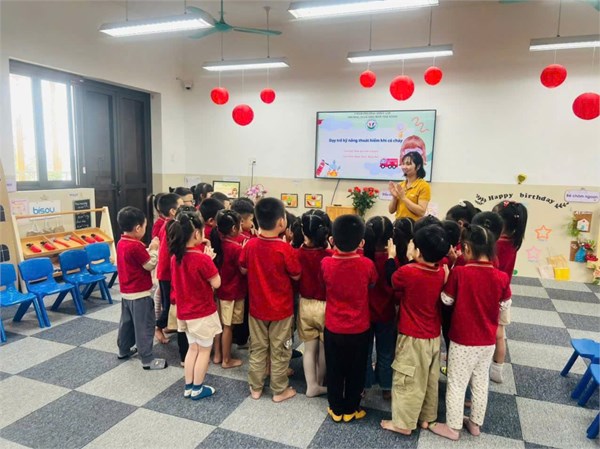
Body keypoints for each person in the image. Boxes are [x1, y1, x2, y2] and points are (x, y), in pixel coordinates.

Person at [430, 224, 511, 441]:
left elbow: (446, 300)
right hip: (487, 340)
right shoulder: (501, 277)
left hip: (463, 339)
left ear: (466, 248)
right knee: (480, 382)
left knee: (457, 383)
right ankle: (475, 424)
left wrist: (447, 278)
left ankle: (453, 427)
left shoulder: (460, 273)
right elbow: (504, 305)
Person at [381, 225, 449, 435]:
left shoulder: (408, 272)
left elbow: (392, 279)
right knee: (429, 378)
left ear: (418, 251)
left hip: (411, 337)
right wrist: (414, 258)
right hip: (433, 336)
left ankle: (402, 424)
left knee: (408, 380)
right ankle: (427, 417)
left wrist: (391, 257)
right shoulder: (441, 271)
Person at [239, 197, 301, 403]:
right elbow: (296, 275)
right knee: (281, 350)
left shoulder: (250, 245)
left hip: (257, 308)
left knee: (257, 348)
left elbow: (243, 269)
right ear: (282, 222)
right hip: (281, 310)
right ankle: (279, 390)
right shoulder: (285, 249)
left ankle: (255, 388)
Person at [322, 215, 377, 423]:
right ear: (361, 242)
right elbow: (372, 283)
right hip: (359, 328)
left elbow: (323, 281)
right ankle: (352, 409)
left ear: (332, 240)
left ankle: (336, 409)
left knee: (334, 368)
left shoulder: (326, 263)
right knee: (356, 370)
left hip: (333, 326)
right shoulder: (367, 264)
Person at [168, 209, 222, 400]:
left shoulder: (175, 257)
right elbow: (216, 283)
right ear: (197, 234)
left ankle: (189, 386)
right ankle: (198, 388)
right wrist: (210, 260)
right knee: (204, 350)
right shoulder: (201, 258)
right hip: (202, 312)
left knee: (193, 349)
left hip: (185, 312)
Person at [115, 206, 167, 370]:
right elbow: (149, 264)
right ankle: (147, 359)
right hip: (140, 294)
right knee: (144, 326)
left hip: (126, 293)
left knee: (127, 324)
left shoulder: (122, 242)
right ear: (138, 228)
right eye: (145, 226)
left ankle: (123, 350)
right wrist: (154, 249)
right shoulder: (136, 246)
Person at [489, 201, 527, 384]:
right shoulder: (513, 241)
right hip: (504, 294)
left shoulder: (497, 244)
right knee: (500, 333)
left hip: (493, 293)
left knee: (496, 333)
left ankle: (492, 367)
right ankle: (498, 368)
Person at [296, 209, 332, 398]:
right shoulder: (330, 255)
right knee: (324, 349)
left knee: (309, 349)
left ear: (303, 231)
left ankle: (311, 386)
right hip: (326, 306)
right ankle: (320, 380)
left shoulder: (297, 253)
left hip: (305, 305)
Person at [363, 216, 395, 401]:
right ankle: (386, 387)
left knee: (365, 352)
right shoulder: (393, 260)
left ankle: (365, 384)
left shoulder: (363, 258)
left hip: (366, 314)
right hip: (387, 313)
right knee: (385, 352)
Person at [210, 209, 245, 369]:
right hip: (232, 293)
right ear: (233, 229)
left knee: (219, 325)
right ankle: (226, 359)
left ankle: (217, 355)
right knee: (228, 327)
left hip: (219, 291)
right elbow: (243, 270)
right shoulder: (236, 248)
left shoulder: (218, 242)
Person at [155, 193, 185, 361]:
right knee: (169, 304)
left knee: (169, 302)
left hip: (167, 271)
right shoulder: (171, 226)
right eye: (182, 205)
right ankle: (158, 327)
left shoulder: (170, 224)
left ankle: (166, 325)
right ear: (173, 211)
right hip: (167, 272)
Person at [388, 152, 430, 220]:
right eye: (403, 164)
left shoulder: (424, 186)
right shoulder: (400, 185)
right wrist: (394, 198)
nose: (404, 167)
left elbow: (421, 212)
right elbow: (391, 211)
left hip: (414, 225)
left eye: (408, 164)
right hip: (398, 224)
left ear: (418, 166)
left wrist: (403, 198)